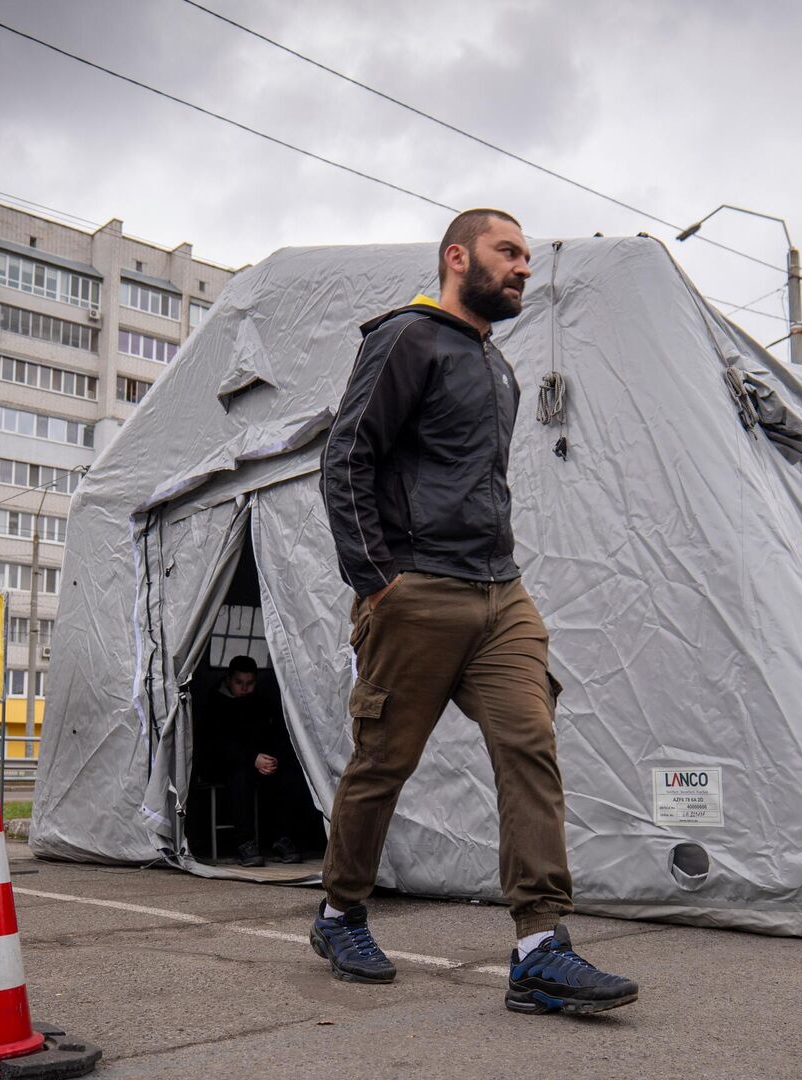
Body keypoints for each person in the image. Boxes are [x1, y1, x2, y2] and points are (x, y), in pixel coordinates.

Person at [313, 209, 639, 1014]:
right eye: (509, 252)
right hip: (417, 590)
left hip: (502, 595)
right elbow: (347, 455)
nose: (525, 267)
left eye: (528, 255)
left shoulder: (499, 367)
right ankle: (340, 911)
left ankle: (539, 948)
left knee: (530, 744)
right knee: (384, 762)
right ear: (458, 258)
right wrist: (378, 580)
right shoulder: (406, 338)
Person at [203, 656, 305, 867]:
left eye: (249, 683)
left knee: (289, 774)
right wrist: (252, 759)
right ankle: (245, 843)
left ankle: (282, 839)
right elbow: (217, 744)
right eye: (239, 683)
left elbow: (273, 733)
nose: (244, 688)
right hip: (225, 764)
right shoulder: (215, 703)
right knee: (241, 778)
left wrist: (271, 759)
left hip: (257, 761)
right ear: (229, 680)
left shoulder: (260, 701)